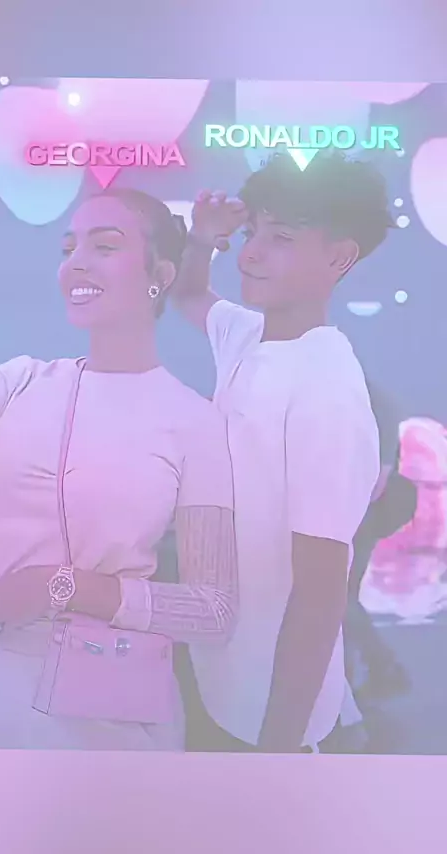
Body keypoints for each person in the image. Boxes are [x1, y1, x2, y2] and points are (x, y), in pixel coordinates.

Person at [0, 188, 237, 751]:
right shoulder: (16, 382)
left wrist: (64, 587)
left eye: (105, 246)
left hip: (109, 716)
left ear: (159, 275)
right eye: (69, 249)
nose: (77, 264)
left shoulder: (195, 422)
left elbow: (213, 610)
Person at [171, 151, 389, 753]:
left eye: (282, 239)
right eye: (251, 234)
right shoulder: (247, 332)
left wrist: (276, 754)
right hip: (217, 675)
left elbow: (320, 593)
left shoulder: (327, 388)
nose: (251, 255)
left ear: (339, 257)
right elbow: (189, 295)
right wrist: (202, 239)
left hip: (269, 717)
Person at [344, 380, 417, 701]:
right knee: (341, 597)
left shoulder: (369, 400)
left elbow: (379, 479)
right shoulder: (366, 399)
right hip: (356, 514)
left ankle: (381, 668)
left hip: (357, 515)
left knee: (339, 597)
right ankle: (353, 674)